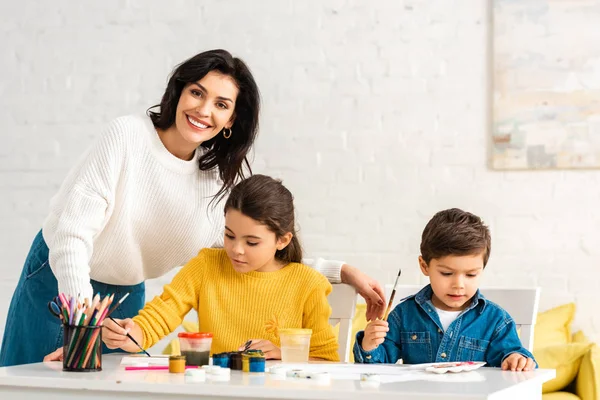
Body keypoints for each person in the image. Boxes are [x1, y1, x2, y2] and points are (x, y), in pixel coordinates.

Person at [1, 49, 383, 367]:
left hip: (125, 293)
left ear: (231, 119)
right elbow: (71, 237)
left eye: (221, 104)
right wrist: (82, 325)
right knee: (32, 380)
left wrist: (341, 271)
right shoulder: (127, 136)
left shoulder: (214, 180)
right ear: (179, 92)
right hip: (61, 278)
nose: (204, 110)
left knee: (107, 389)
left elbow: (248, 249)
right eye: (197, 93)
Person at [103, 175, 339, 360]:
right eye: (229, 235)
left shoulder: (307, 284)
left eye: (252, 242)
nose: (236, 249)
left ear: (282, 240)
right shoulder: (207, 266)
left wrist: (283, 354)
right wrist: (131, 334)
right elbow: (164, 312)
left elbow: (326, 359)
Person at [353, 208, 536, 371]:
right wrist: (369, 344)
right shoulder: (404, 315)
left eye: (471, 275)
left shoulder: (496, 321)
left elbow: (512, 355)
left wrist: (516, 359)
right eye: (447, 273)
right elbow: (376, 370)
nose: (458, 284)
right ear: (424, 266)